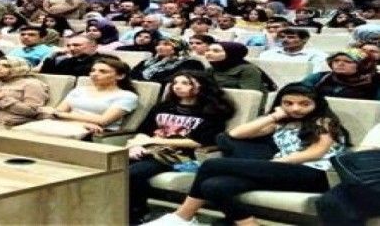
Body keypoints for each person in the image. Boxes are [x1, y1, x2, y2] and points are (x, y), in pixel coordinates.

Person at [147, 83, 346, 226]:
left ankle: (182, 216)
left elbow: (316, 152)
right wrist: (274, 116)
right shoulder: (281, 122)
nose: (295, 108)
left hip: (315, 174)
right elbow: (235, 134)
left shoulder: (323, 121)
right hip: (283, 171)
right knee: (213, 186)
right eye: (288, 103)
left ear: (316, 104)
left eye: (304, 104)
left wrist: (279, 162)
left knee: (211, 165)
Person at [128, 71, 236, 224]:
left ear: (201, 86)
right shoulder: (163, 107)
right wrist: (136, 145)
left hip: (180, 156)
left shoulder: (211, 111)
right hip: (149, 150)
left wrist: (154, 141)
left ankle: (136, 214)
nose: (177, 87)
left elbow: (200, 142)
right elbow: (143, 131)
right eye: (175, 83)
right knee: (113, 168)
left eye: (185, 83)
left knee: (133, 173)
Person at [38, 55, 138, 134]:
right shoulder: (79, 90)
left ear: (120, 76)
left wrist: (57, 113)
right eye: (93, 70)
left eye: (103, 71)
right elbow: (59, 113)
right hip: (72, 125)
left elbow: (103, 121)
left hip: (99, 132)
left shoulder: (127, 96)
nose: (94, 74)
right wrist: (81, 123)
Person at [0, 56, 49, 127]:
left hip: (10, 124)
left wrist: (0, 97)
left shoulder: (32, 84)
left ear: (19, 69)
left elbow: (32, 111)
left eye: (6, 66)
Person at [302, 49, 380, 100]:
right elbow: (299, 92)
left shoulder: (376, 81)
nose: (340, 64)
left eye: (348, 61)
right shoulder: (319, 77)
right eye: (336, 61)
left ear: (362, 65)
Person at [130, 37, 204, 86]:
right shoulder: (147, 62)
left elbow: (172, 81)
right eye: (158, 44)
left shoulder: (191, 63)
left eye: (166, 44)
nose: (160, 47)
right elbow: (131, 75)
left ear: (178, 48)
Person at [259, 28, 328, 71]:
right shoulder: (268, 54)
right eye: (282, 37)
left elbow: (316, 75)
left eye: (291, 37)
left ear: (304, 39)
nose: (285, 39)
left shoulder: (317, 56)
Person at [38, 35, 104, 77]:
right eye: (68, 46)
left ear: (93, 46)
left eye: (76, 45)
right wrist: (53, 55)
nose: (71, 49)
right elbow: (47, 77)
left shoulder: (103, 62)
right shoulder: (65, 61)